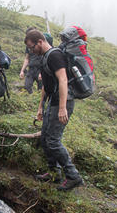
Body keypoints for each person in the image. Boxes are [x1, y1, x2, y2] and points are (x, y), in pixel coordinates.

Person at [24, 29, 84, 191]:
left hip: (63, 102)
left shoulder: (55, 56)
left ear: (40, 42)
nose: (31, 51)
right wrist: (40, 107)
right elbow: (47, 86)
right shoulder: (45, 57)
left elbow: (63, 80)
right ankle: (54, 172)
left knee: (53, 140)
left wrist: (63, 108)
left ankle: (73, 176)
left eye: (32, 47)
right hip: (53, 101)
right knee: (45, 137)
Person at [19, 27, 53, 94]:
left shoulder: (40, 45)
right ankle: (31, 99)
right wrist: (22, 71)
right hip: (31, 69)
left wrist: (42, 72)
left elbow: (45, 58)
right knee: (27, 86)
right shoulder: (29, 46)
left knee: (41, 89)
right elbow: (27, 58)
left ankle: (38, 100)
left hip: (40, 69)